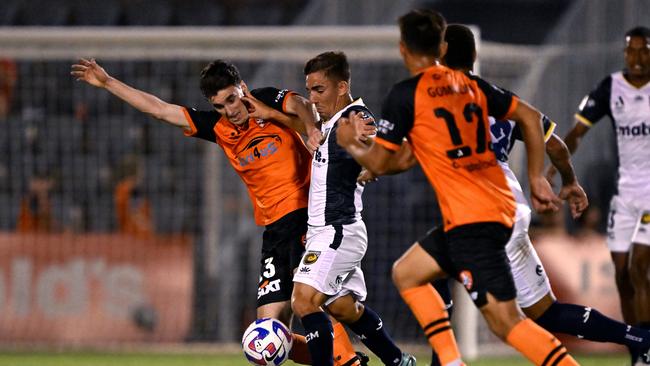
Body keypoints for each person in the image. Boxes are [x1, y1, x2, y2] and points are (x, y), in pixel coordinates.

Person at [71, 58, 366, 366]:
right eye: (220, 105)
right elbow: (159, 109)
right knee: (269, 333)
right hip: (274, 230)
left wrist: (308, 127)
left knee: (309, 302)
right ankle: (345, 358)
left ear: (242, 89)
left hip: (306, 215)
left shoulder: (263, 100)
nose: (230, 110)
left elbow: (303, 103)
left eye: (231, 99)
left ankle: (348, 360)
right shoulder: (218, 127)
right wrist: (107, 82)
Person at [337, 9, 580, 366]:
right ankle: (451, 362)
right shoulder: (472, 86)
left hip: (475, 221)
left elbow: (380, 162)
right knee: (408, 272)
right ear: (440, 45)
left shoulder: (407, 95)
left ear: (403, 49)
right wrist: (535, 177)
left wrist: (351, 143)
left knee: (506, 323)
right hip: (488, 211)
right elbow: (529, 117)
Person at [414, 23, 649, 366]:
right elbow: (554, 142)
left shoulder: (435, 100)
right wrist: (570, 181)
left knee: (420, 274)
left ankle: (445, 361)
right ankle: (640, 337)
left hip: (482, 212)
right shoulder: (505, 102)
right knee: (545, 312)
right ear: (475, 56)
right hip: (511, 206)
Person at [290, 51, 415, 366]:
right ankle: (398, 361)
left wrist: (371, 162)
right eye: (309, 90)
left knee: (303, 302)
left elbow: (381, 151)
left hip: (337, 230)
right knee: (345, 308)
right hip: (327, 231)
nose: (312, 97)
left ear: (342, 86)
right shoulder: (330, 122)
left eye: (319, 90)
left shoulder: (358, 118)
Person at [547, 25, 650, 365]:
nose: (636, 58)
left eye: (643, 50)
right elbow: (577, 132)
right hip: (625, 196)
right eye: (630, 51)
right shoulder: (610, 88)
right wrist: (558, 162)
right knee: (622, 274)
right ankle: (640, 347)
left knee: (639, 269)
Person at [114, 154, 153, 238]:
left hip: (125, 234)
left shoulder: (121, 187)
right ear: (137, 170)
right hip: (137, 234)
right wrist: (147, 227)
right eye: (141, 168)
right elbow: (135, 212)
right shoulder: (134, 187)